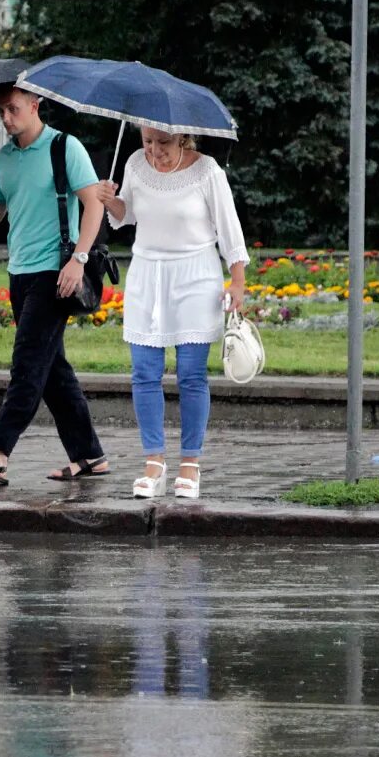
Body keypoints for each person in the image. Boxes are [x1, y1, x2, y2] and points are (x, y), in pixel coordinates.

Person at [0, 87, 110, 484]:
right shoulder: (5, 156)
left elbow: (94, 203)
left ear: (35, 106)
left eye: (13, 109)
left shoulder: (64, 147)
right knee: (52, 370)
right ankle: (90, 456)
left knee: (26, 362)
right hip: (18, 273)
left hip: (55, 272)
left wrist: (79, 259)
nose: (6, 118)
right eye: (1, 111)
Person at [100, 127, 248, 499]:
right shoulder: (135, 163)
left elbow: (230, 229)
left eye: (162, 143)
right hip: (148, 274)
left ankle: (189, 464)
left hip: (195, 275)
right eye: (147, 142)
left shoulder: (208, 171)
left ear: (182, 138)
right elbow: (127, 215)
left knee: (191, 375)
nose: (154, 150)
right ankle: (154, 462)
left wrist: (238, 282)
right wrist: (109, 200)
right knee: (144, 372)